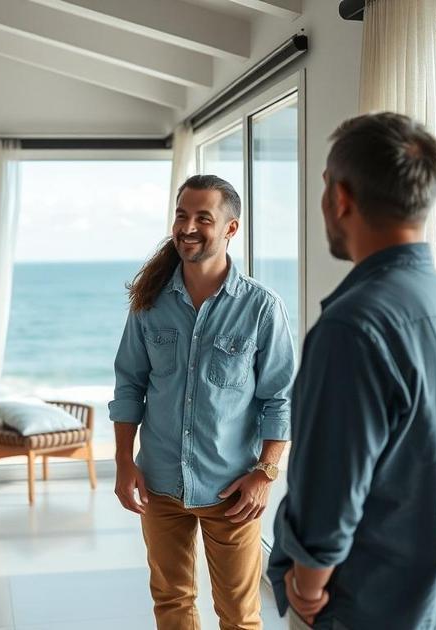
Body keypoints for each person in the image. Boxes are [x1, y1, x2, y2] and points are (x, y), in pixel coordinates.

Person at [268, 112, 436, 630]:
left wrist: (306, 586)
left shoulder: (352, 327)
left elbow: (331, 492)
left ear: (341, 198)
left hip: (357, 605)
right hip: (423, 601)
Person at [109, 174, 296, 629]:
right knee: (171, 603)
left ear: (230, 229)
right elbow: (129, 386)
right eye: (181, 215)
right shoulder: (149, 304)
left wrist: (265, 474)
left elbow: (280, 399)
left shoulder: (261, 307)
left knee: (239, 615)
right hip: (160, 484)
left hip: (230, 489)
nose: (188, 227)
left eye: (202, 218)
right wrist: (122, 461)